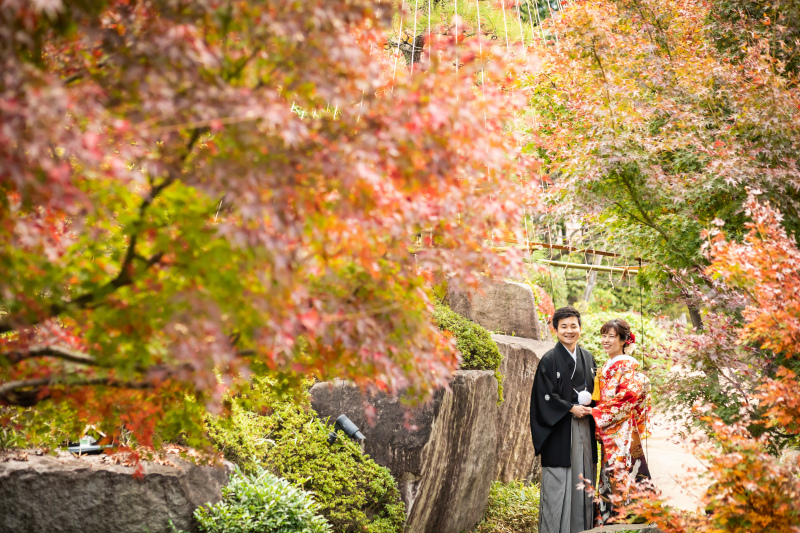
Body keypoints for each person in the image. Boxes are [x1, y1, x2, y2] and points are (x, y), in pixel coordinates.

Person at [530, 306, 598, 533]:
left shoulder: (588, 357)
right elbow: (544, 396)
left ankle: (582, 529)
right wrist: (570, 408)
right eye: (564, 327)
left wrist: (593, 410)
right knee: (558, 484)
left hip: (585, 428)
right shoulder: (549, 360)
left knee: (584, 480)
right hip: (560, 431)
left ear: (580, 328)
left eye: (573, 326)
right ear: (555, 330)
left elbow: (597, 393)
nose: (569, 331)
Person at [591, 318, 652, 525]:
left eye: (612, 336)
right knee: (609, 475)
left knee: (619, 474)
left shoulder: (626, 367)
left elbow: (627, 399)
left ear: (624, 340)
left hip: (621, 431)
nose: (606, 340)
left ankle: (619, 522)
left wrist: (595, 413)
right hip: (611, 430)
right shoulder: (609, 365)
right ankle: (609, 519)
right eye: (604, 335)